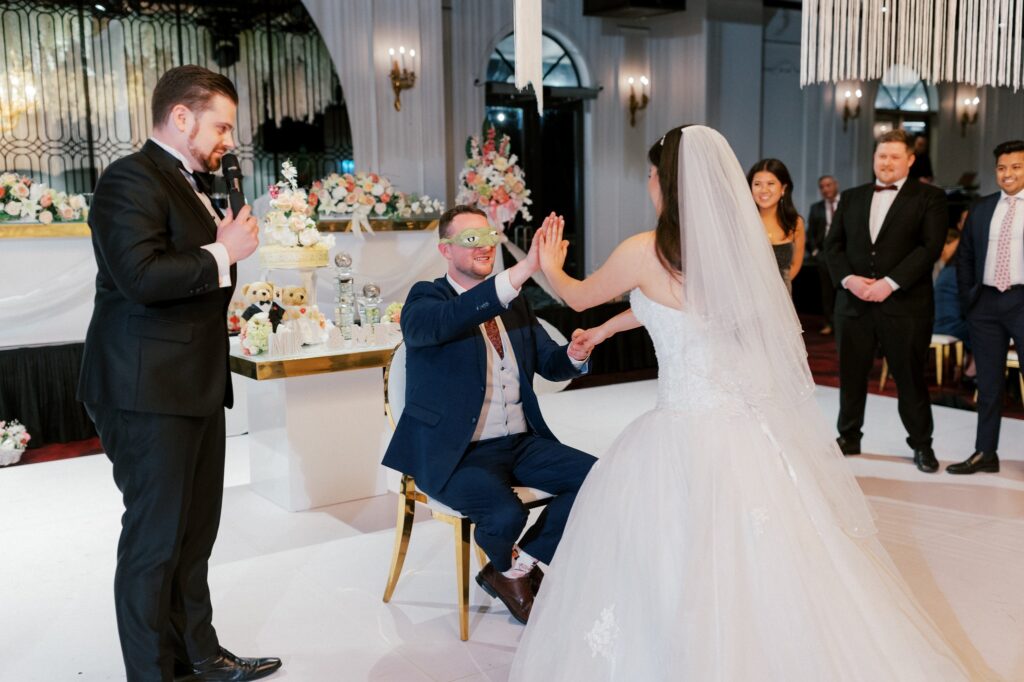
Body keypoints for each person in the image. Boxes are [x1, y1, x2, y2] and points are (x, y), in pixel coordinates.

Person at [507, 125, 971, 680]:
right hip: (742, 425)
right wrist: (610, 329)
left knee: (671, 554)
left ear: (667, 182)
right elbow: (679, 309)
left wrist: (548, 259)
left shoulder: (644, 249)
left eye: (652, 176)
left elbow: (576, 295)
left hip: (678, 428)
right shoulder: (731, 247)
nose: (648, 185)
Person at [77, 66, 281, 681]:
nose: (228, 140)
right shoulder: (127, 179)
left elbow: (188, 277)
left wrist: (221, 277)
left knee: (194, 538)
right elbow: (140, 277)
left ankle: (199, 655)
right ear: (182, 117)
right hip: (145, 390)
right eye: (221, 126)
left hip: (189, 383)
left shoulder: (197, 182)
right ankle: (152, 674)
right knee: (154, 543)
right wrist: (224, 252)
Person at [382, 205, 596, 625]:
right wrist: (524, 270)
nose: (484, 246)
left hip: (519, 441)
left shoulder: (515, 306)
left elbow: (548, 362)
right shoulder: (426, 299)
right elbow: (449, 321)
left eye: (488, 236)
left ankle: (516, 568)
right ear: (445, 249)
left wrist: (573, 355)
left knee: (600, 479)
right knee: (505, 514)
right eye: (470, 239)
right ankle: (512, 570)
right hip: (456, 452)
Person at [824, 128, 947, 472]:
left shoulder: (930, 198)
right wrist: (850, 280)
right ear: (874, 159)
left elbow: (930, 248)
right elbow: (832, 248)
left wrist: (889, 284)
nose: (887, 163)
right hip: (853, 305)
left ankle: (922, 445)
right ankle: (848, 437)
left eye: (895, 156)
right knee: (850, 376)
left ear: (909, 159)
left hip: (905, 306)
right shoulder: (852, 197)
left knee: (909, 379)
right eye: (882, 156)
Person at [949, 139, 1024, 474]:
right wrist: (970, 298)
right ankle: (985, 452)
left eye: (1016, 167)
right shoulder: (981, 207)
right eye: (1002, 167)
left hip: (1022, 300)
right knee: (988, 384)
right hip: (986, 304)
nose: (1007, 174)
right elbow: (964, 256)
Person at [748, 158, 805, 295]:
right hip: (746, 297)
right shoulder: (742, 221)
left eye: (771, 183)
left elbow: (796, 264)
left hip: (781, 297)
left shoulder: (795, 223)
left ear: (783, 188)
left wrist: (775, 292)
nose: (764, 190)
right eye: (757, 184)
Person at [807, 175, 840, 333]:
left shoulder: (847, 203)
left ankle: (842, 324)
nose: (826, 189)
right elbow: (811, 232)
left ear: (836, 185)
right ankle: (829, 323)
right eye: (822, 187)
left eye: (828, 185)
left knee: (842, 290)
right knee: (826, 291)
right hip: (824, 254)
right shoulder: (816, 208)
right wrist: (815, 252)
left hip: (843, 252)